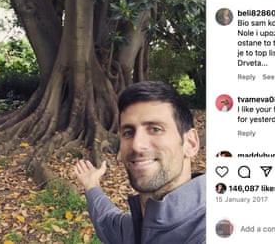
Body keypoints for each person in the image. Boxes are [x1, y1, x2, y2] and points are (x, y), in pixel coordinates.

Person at [74, 81, 205, 244]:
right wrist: (91, 184)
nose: (136, 145)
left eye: (155, 129)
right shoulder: (134, 229)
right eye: (128, 132)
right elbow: (106, 221)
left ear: (190, 143)